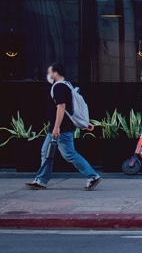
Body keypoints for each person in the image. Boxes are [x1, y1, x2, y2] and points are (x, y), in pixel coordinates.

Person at [24, 63, 101, 191]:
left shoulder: (58, 87)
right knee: (46, 152)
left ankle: (92, 176)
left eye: (50, 72)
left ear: (55, 73)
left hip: (61, 128)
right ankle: (41, 180)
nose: (48, 75)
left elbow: (62, 106)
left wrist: (57, 127)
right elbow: (73, 107)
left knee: (69, 153)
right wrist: (83, 122)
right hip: (61, 126)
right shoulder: (67, 85)